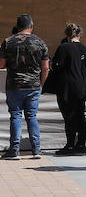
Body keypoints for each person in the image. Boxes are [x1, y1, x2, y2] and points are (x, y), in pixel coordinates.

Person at [1, 14, 49, 159]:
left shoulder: (8, 42)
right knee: (31, 116)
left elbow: (1, 64)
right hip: (33, 86)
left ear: (18, 26)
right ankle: (36, 150)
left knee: (15, 116)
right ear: (31, 26)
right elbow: (46, 68)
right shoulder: (40, 43)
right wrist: (40, 85)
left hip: (14, 85)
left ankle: (14, 150)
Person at [49, 23, 86, 155]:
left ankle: (70, 145)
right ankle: (81, 144)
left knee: (69, 116)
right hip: (82, 87)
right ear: (80, 34)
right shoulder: (85, 49)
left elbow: (57, 67)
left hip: (67, 87)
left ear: (66, 34)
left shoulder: (63, 48)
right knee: (80, 115)